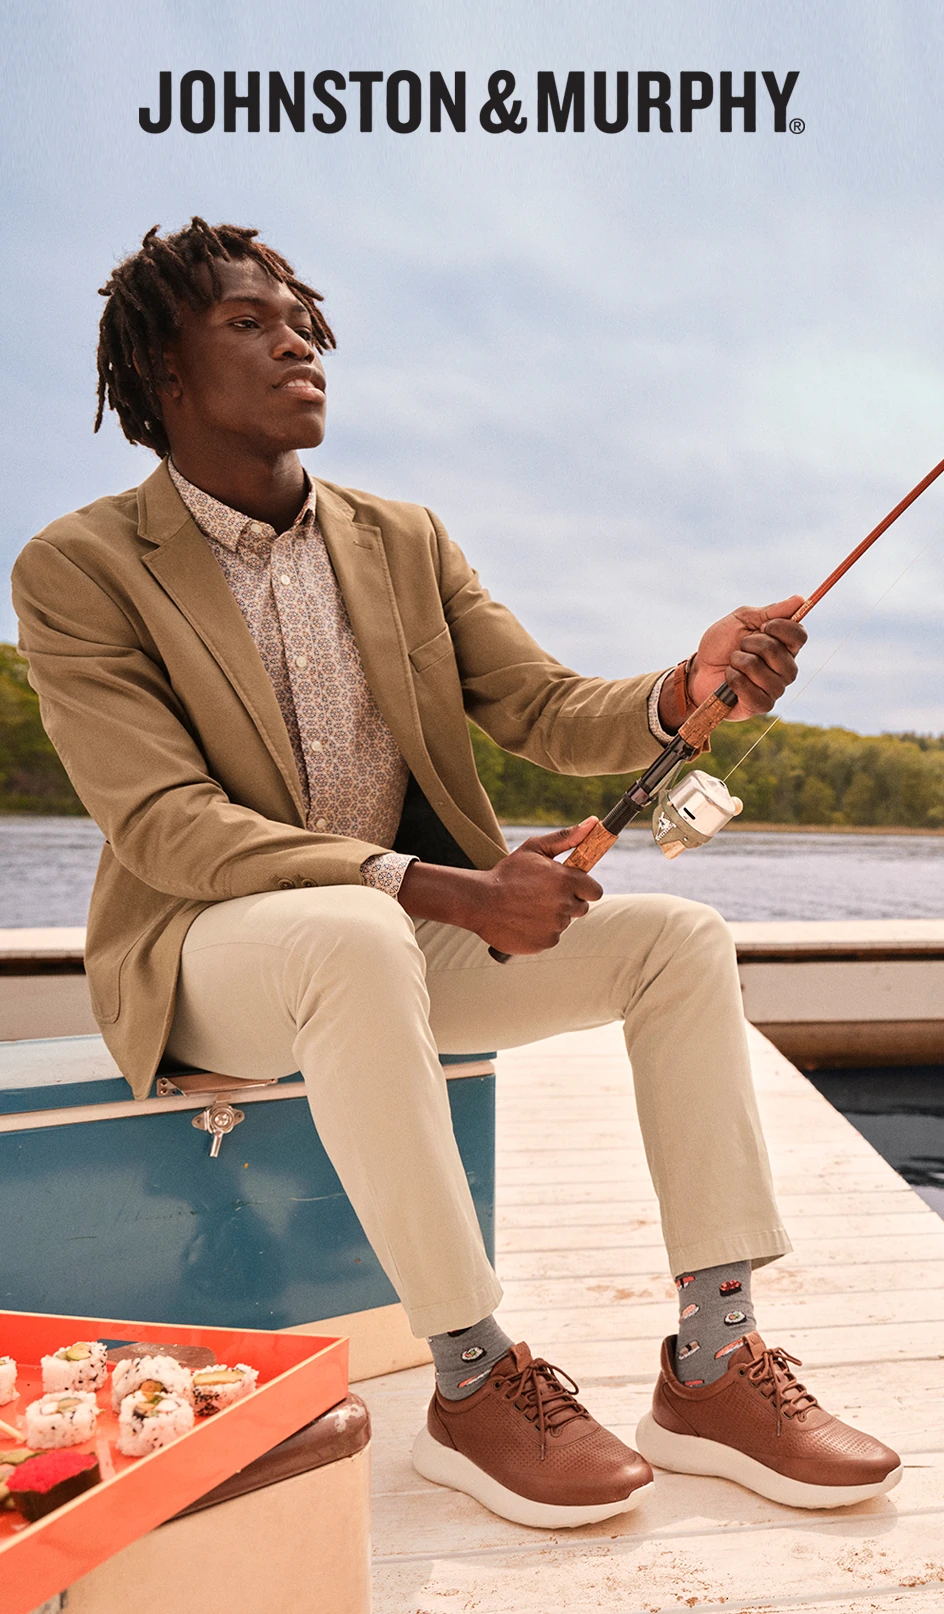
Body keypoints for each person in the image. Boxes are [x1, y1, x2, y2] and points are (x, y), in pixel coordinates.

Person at [12, 218, 900, 1530]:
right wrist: (442, 889)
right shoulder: (75, 567)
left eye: (301, 318)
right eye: (249, 323)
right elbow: (166, 825)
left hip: (395, 936)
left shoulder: (403, 536)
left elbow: (542, 704)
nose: (295, 338)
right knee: (359, 939)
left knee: (682, 939)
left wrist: (685, 687)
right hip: (210, 954)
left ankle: (714, 1362)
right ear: (161, 375)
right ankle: (472, 1377)